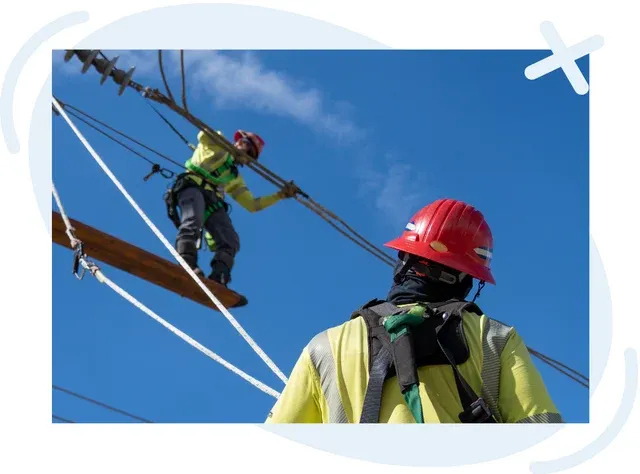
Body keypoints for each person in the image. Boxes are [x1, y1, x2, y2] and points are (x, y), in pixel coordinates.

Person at [265, 198, 562, 423]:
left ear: (403, 259)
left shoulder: (325, 347)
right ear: (468, 278)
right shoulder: (495, 338)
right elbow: (540, 437)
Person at [165, 129, 298, 286]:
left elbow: (252, 205)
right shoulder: (215, 145)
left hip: (211, 201)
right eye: (248, 150)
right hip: (191, 186)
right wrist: (221, 138)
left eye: (251, 156)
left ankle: (219, 276)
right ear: (240, 143)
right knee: (192, 220)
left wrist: (280, 195)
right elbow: (203, 134)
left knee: (231, 240)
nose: (247, 158)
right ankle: (186, 263)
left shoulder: (234, 178)